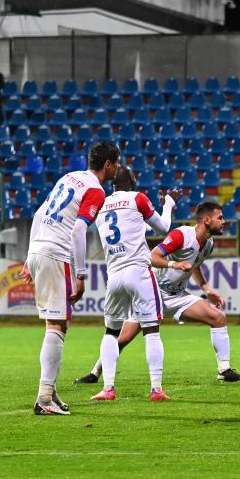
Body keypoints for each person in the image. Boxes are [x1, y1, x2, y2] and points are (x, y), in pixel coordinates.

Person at [76, 202, 240, 384]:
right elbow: (152, 256)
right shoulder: (182, 235)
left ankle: (224, 370)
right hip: (151, 293)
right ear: (207, 220)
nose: (224, 222)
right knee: (122, 339)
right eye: (220, 218)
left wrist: (206, 289)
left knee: (218, 317)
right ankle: (95, 373)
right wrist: (173, 264)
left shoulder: (208, 244)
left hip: (177, 296)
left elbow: (195, 264)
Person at [22, 140, 121, 415]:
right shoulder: (95, 190)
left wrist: (30, 257)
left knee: (56, 325)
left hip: (39, 248)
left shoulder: (69, 177)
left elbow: (39, 214)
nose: (118, 168)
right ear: (108, 164)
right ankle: (43, 398)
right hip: (56, 253)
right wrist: (81, 274)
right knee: (57, 325)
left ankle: (49, 393)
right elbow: (78, 231)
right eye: (117, 163)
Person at [89, 166, 177, 401]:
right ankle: (156, 389)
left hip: (114, 275)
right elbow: (163, 228)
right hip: (138, 271)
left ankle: (108, 388)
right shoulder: (138, 198)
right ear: (132, 179)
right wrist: (168, 205)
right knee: (151, 331)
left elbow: (135, 226)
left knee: (110, 332)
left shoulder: (101, 206)